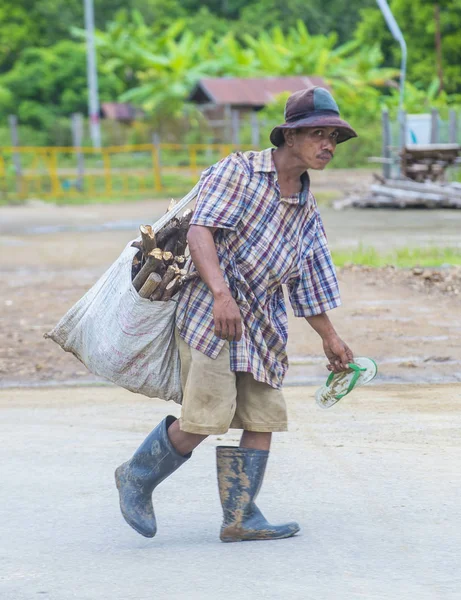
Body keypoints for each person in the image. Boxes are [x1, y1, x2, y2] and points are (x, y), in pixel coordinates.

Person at [115, 86, 357, 543]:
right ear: (289, 137)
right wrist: (222, 295)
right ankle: (137, 476)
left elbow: (309, 276)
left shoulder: (305, 205)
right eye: (318, 134)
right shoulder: (240, 171)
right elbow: (200, 233)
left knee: (263, 416)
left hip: (262, 323)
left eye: (333, 137)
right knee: (205, 417)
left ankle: (241, 516)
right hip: (212, 311)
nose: (328, 144)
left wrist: (331, 337)